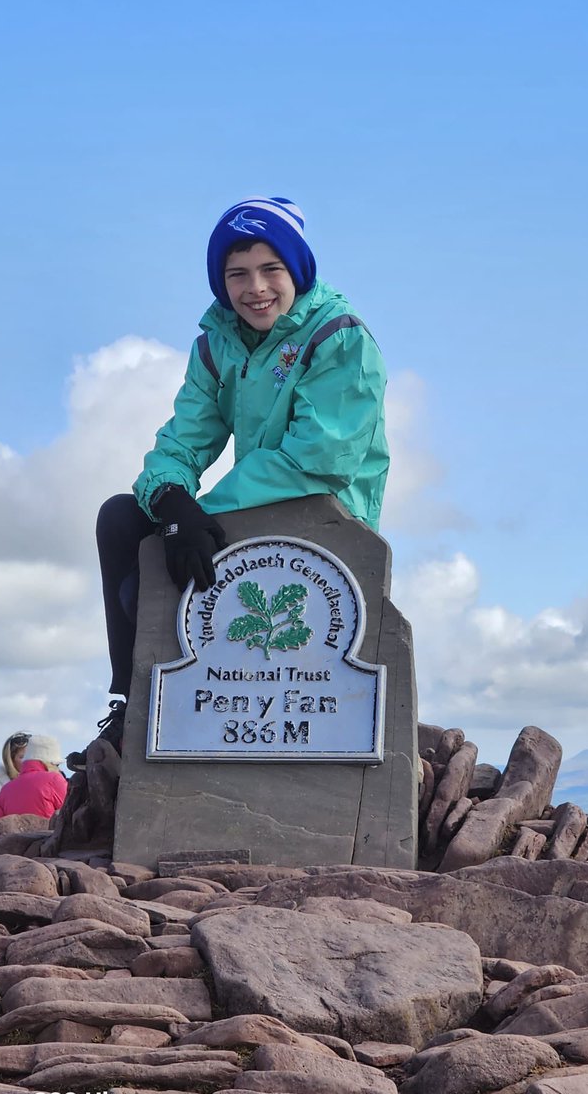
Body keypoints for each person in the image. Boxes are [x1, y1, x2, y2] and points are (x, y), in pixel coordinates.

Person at [68, 196, 390, 768]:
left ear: (298, 271)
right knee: (122, 518)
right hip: (249, 507)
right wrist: (170, 499)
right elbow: (183, 441)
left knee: (150, 587)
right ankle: (130, 700)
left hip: (324, 515)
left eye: (272, 269)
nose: (255, 287)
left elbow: (320, 460)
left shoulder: (340, 337)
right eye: (236, 273)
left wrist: (204, 511)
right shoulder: (217, 344)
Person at [0, 734, 68, 821]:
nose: (58, 769)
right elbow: (71, 813)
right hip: (48, 834)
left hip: (15, 834)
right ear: (50, 762)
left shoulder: (5, 789)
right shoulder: (54, 779)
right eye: (57, 764)